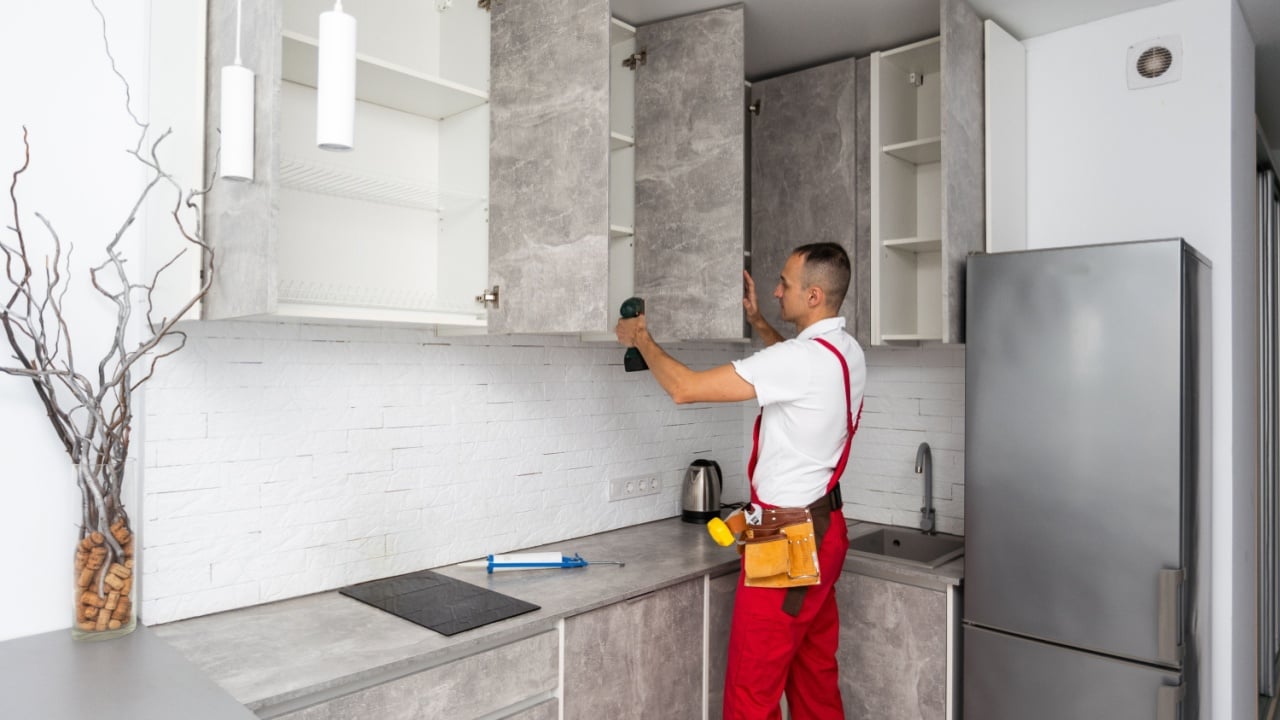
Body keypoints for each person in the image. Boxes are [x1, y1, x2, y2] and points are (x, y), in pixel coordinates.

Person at [615, 242, 867, 719]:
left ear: (814, 296)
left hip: (786, 539)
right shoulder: (845, 351)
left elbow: (684, 389)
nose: (776, 291)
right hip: (826, 530)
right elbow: (793, 363)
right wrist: (759, 324)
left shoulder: (798, 361)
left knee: (751, 694)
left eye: (785, 284)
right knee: (814, 679)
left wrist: (641, 337)